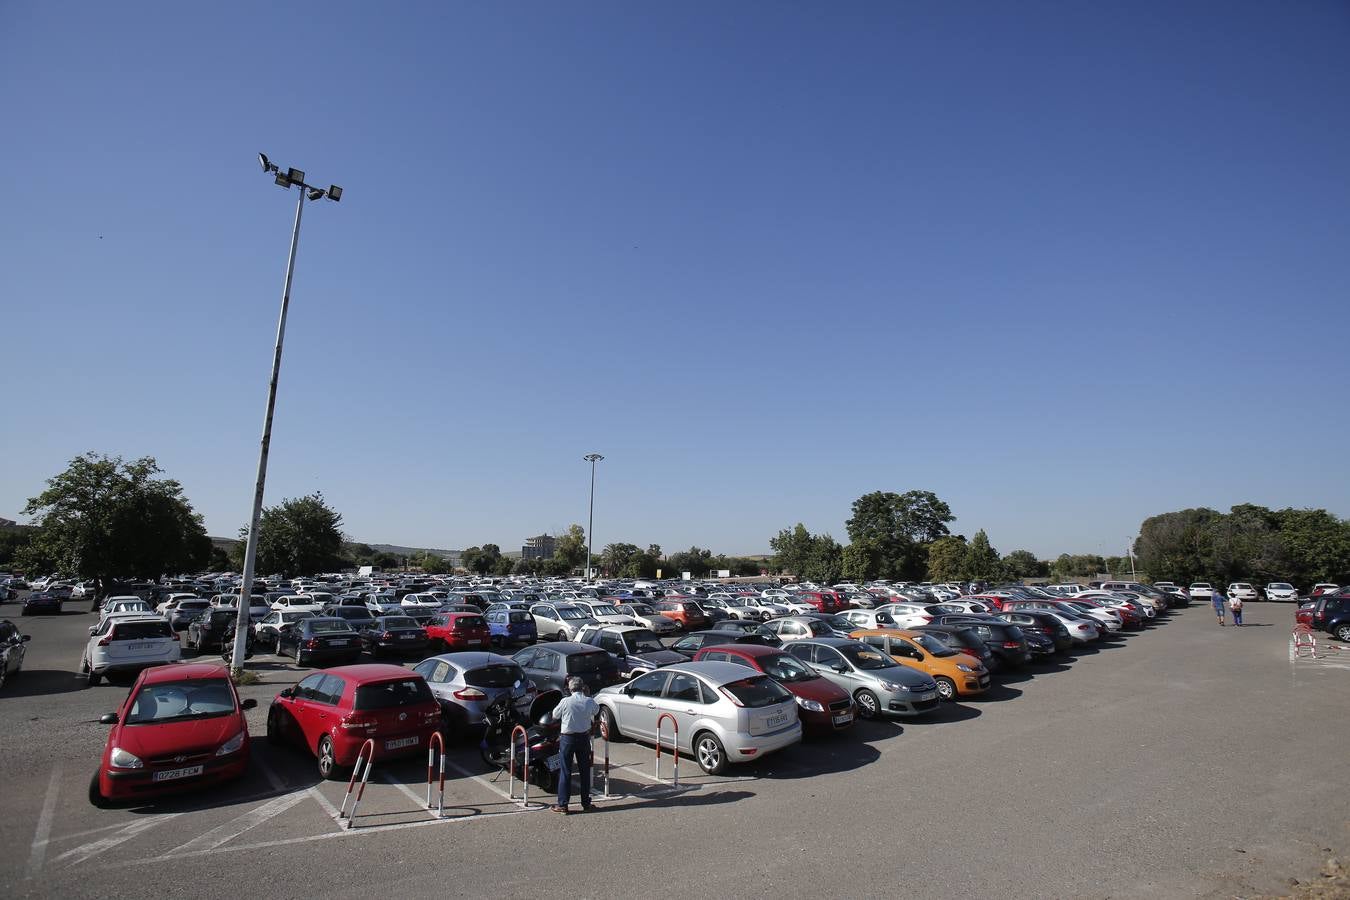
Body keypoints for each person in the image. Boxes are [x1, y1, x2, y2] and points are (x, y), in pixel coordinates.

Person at [551, 675, 600, 814]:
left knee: (566, 771)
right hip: (584, 738)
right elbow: (596, 711)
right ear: (582, 687)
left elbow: (555, 715)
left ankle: (563, 804)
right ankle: (586, 802)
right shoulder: (588, 701)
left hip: (568, 738)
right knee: (585, 771)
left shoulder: (565, 701)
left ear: (570, 688)